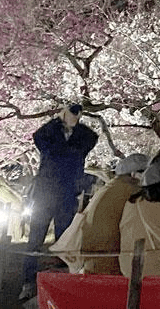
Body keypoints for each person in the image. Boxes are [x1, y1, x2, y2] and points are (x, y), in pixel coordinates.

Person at [20, 102, 99, 301]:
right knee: (35, 239)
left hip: (67, 194)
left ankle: (62, 282)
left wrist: (74, 123)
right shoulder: (50, 137)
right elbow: (37, 137)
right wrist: (58, 120)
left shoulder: (81, 139)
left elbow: (93, 137)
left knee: (64, 240)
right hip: (44, 194)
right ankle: (28, 282)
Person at [80, 153, 148, 275]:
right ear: (135, 174)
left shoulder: (108, 188)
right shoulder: (133, 192)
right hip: (112, 264)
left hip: (91, 261)